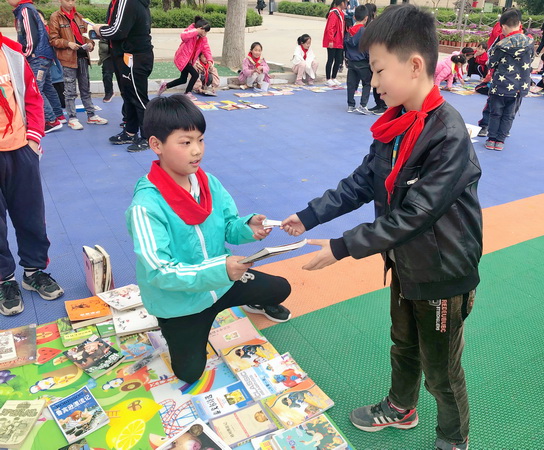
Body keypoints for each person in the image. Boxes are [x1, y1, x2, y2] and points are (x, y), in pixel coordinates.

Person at [281, 6, 482, 450]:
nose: (373, 82)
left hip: (442, 272)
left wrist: (341, 247)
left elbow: (416, 214)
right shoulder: (396, 124)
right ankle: (401, 407)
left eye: (378, 70)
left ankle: (454, 438)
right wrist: (310, 215)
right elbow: (362, 181)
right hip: (407, 262)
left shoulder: (448, 135)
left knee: (441, 370)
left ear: (414, 65)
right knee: (403, 343)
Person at [125, 95, 291, 383]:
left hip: (222, 283)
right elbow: (160, 271)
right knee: (189, 373)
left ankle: (248, 303)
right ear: (156, 145)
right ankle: (175, 327)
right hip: (182, 301)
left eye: (200, 140)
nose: (197, 150)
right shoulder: (146, 207)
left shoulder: (208, 182)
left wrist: (247, 227)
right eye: (185, 142)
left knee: (282, 288)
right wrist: (221, 270)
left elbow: (228, 226)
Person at [0, 31, 65, 316]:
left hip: (20, 151)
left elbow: (32, 97)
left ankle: (33, 271)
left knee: (31, 217)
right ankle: (4, 280)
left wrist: (33, 140)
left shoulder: (12, 54)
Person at [93, 0, 154, 152]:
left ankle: (148, 137)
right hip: (129, 55)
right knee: (129, 96)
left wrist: (99, 30)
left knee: (138, 98)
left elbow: (117, 31)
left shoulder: (127, 1)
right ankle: (130, 132)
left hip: (134, 57)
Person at [48, 0, 108, 131]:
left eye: (73, 0)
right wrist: (68, 44)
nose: (71, 3)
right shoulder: (56, 17)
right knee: (70, 91)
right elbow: (53, 39)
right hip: (68, 59)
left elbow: (88, 35)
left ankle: (91, 115)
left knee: (85, 88)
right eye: (67, 0)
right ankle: (72, 118)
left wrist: (90, 43)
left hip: (83, 56)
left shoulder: (79, 16)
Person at [9, 0, 64, 133]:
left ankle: (51, 120)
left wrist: (25, 54)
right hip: (43, 55)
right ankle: (58, 115)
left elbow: (31, 36)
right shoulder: (27, 9)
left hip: (37, 56)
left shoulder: (25, 10)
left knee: (35, 89)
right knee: (47, 87)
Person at [485, 9, 533, 151]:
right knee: (509, 115)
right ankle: (500, 141)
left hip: (500, 85)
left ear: (503, 27)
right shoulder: (530, 42)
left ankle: (491, 139)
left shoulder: (501, 44)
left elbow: (491, 63)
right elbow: (530, 61)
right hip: (519, 86)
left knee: (495, 113)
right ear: (519, 24)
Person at [157, 16, 212, 99]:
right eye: (205, 32)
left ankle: (165, 85)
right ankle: (187, 92)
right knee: (195, 74)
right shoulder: (191, 32)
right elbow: (183, 36)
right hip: (182, 59)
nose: (205, 34)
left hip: (189, 61)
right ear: (200, 29)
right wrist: (196, 31)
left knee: (183, 79)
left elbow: (206, 49)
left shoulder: (203, 38)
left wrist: (209, 59)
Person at [344, 5, 371, 115]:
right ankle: (363, 105)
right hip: (363, 62)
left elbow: (345, 46)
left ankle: (351, 105)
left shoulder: (349, 31)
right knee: (367, 83)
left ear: (354, 17)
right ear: (366, 18)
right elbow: (368, 48)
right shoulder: (365, 32)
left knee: (351, 84)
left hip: (351, 61)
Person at [322, 0, 346, 87]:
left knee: (338, 59)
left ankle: (334, 77)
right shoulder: (334, 13)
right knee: (330, 59)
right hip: (333, 40)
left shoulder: (341, 13)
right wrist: (331, 40)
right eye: (345, 2)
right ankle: (328, 78)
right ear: (342, 3)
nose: (346, 4)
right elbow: (330, 28)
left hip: (339, 40)